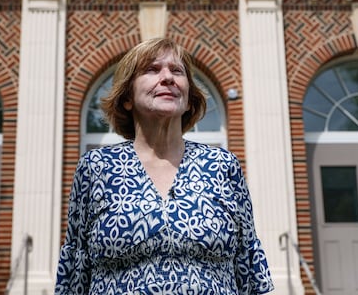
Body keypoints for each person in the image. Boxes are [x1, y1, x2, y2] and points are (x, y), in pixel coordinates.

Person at [55, 38, 274, 294]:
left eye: (177, 71)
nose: (168, 77)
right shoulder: (96, 168)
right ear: (127, 97)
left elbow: (248, 268)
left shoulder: (222, 166)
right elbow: (75, 272)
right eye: (152, 69)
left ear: (190, 99)